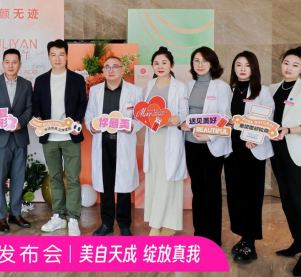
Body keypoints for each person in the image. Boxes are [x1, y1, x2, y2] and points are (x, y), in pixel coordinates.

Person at [270, 47, 301, 277]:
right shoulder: (271, 89)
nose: (289, 68)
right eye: (286, 63)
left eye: (295, 65)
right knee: (287, 200)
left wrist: (289, 129)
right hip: (277, 151)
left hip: (298, 153)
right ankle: (297, 241)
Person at [33, 39, 87, 236]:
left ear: (67, 56)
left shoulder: (77, 79)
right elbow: (36, 104)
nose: (57, 58)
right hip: (50, 137)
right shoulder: (40, 80)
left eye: (61, 54)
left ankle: (73, 218)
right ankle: (58, 216)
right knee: (55, 177)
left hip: (70, 136)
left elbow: (82, 103)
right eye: (53, 55)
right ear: (49, 57)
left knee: (72, 178)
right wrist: (38, 118)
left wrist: (78, 121)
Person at [85, 56, 144, 236]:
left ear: (122, 70)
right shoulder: (95, 91)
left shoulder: (135, 91)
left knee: (124, 186)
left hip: (123, 142)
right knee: (106, 186)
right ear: (103, 71)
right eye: (107, 67)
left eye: (115, 66)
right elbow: (89, 114)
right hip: (103, 142)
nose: (111, 70)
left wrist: (132, 126)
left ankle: (124, 225)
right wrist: (91, 126)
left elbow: (140, 117)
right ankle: (107, 223)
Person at [224, 51, 274, 263]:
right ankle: (242, 237)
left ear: (254, 68)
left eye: (247, 65)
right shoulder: (228, 90)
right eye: (238, 64)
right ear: (234, 68)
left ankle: (250, 244)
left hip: (252, 151)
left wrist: (255, 137)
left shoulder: (262, 91)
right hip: (232, 150)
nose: (242, 69)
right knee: (235, 195)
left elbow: (267, 118)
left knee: (251, 197)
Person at [180, 47, 231, 247]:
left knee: (212, 191)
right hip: (191, 144)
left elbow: (225, 118)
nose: (200, 65)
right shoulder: (187, 85)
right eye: (196, 61)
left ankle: (213, 237)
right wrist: (182, 123)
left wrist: (209, 136)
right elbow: (183, 112)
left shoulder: (221, 87)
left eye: (204, 61)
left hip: (211, 145)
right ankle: (200, 233)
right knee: (198, 189)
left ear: (212, 63)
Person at [0, 48, 32, 233]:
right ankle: (0, 217)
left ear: (20, 64)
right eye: (7, 62)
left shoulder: (26, 84)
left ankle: (16, 214)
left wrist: (19, 123)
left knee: (18, 178)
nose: (11, 65)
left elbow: (29, 109)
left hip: (19, 137)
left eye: (14, 62)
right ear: (2, 63)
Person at [143, 46, 188, 236]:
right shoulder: (149, 85)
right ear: (152, 66)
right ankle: (162, 222)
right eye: (156, 63)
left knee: (168, 180)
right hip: (153, 137)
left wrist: (178, 118)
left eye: (164, 62)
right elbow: (144, 110)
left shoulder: (180, 86)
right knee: (155, 178)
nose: (160, 66)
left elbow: (184, 110)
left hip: (170, 137)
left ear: (172, 65)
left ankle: (161, 225)